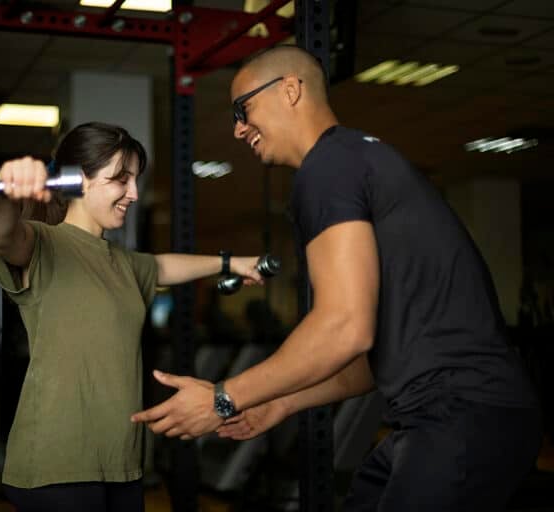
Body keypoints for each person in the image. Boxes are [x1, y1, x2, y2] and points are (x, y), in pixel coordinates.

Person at [130, 46, 543, 511]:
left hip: (461, 414)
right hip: (453, 414)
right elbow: (365, 357)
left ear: (290, 90)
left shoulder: (327, 168)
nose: (238, 128)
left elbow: (344, 327)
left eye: (242, 109)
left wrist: (223, 399)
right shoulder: (352, 160)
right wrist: (279, 402)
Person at [0, 121, 264, 512]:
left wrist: (233, 262)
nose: (133, 193)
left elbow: (164, 266)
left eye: (135, 180)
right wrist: (6, 193)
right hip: (58, 465)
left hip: (122, 465)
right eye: (120, 179)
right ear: (79, 180)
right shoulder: (44, 243)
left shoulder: (122, 262)